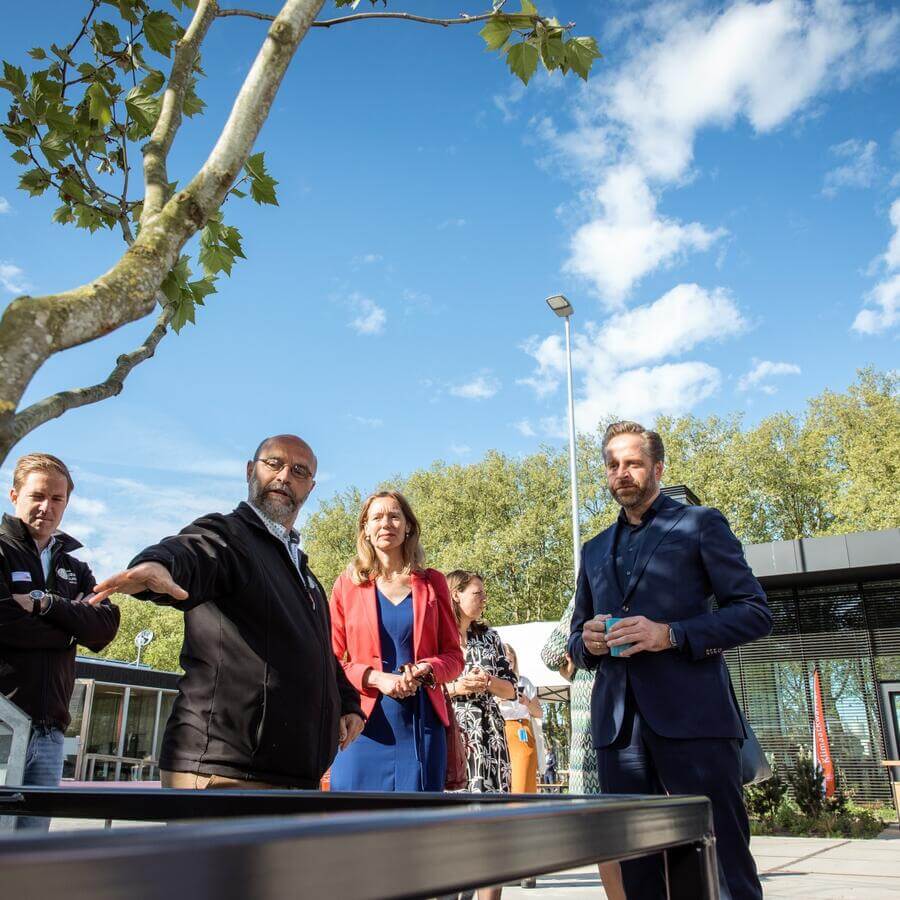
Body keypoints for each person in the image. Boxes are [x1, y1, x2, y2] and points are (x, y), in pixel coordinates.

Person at [568, 420, 773, 900]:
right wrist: (589, 643)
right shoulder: (593, 549)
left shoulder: (701, 524)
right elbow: (575, 640)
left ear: (658, 467)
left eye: (633, 462)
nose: (622, 473)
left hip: (695, 720)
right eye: (613, 464)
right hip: (619, 732)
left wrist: (672, 634)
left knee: (721, 864)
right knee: (638, 867)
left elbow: (754, 613)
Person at [91, 435, 364, 789]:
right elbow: (194, 551)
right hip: (226, 772)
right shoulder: (230, 536)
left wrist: (347, 702)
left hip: (293, 778)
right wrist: (159, 565)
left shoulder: (303, 573)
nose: (284, 476)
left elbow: (316, 653)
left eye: (298, 470)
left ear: (310, 488)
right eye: (274, 463)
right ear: (251, 471)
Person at [0, 453, 120, 829]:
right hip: (3, 724)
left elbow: (104, 628)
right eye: (37, 496)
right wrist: (72, 625)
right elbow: (5, 624)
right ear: (14, 494)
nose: (46, 507)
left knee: (32, 852)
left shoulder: (75, 566)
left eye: (57, 499)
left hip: (50, 731)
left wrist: (44, 604)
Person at [328, 490, 463, 791]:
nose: (385, 523)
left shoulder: (433, 582)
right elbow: (330, 659)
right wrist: (375, 678)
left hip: (421, 724)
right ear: (365, 528)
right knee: (354, 826)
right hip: (360, 726)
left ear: (408, 526)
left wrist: (427, 669)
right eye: (376, 517)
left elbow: (454, 656)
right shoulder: (346, 586)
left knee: (417, 830)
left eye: (394, 516)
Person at [542, 596, 626, 900]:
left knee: (605, 828)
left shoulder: (588, 594)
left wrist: (573, 666)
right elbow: (551, 653)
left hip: (590, 715)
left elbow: (552, 654)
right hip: (604, 713)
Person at [498, 643, 542, 794]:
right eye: (504, 659)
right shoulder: (492, 682)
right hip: (498, 730)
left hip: (520, 729)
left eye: (511, 659)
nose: (508, 663)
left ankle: (521, 811)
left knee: (523, 777)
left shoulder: (524, 682)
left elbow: (539, 713)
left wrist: (527, 702)